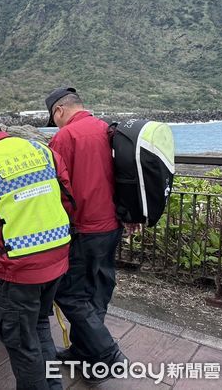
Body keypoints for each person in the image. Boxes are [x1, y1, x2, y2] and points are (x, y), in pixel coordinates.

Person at [0, 111, 73, 390]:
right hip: (58, 254)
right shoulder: (43, 151)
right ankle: (53, 385)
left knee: (19, 340)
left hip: (18, 266)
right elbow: (66, 197)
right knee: (39, 326)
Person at [45, 87, 128, 384]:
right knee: (99, 291)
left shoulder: (64, 137)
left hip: (82, 227)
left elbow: (56, 188)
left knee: (69, 292)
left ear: (59, 111)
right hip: (112, 225)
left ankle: (105, 353)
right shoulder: (108, 130)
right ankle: (84, 352)